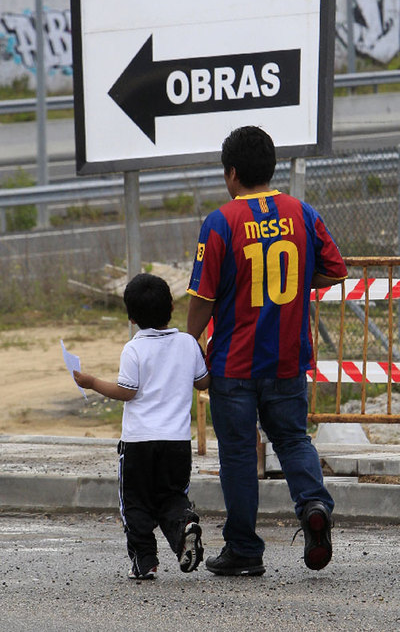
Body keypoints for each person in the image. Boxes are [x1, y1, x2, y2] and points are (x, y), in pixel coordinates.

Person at [186, 125, 347, 577]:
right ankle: (313, 504)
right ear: (271, 168)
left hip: (233, 363)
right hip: (286, 360)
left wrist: (190, 341)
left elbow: (202, 296)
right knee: (294, 440)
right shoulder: (303, 212)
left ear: (231, 173)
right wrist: (297, 286)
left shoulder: (220, 222)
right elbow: (335, 269)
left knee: (238, 455)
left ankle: (244, 549)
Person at [74, 272, 210, 580]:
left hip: (138, 444)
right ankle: (183, 528)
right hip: (176, 443)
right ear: (172, 307)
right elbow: (203, 381)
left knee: (134, 503)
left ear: (131, 318)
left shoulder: (133, 349)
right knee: (173, 497)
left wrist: (93, 382)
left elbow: (128, 391)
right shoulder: (188, 344)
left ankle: (145, 561)